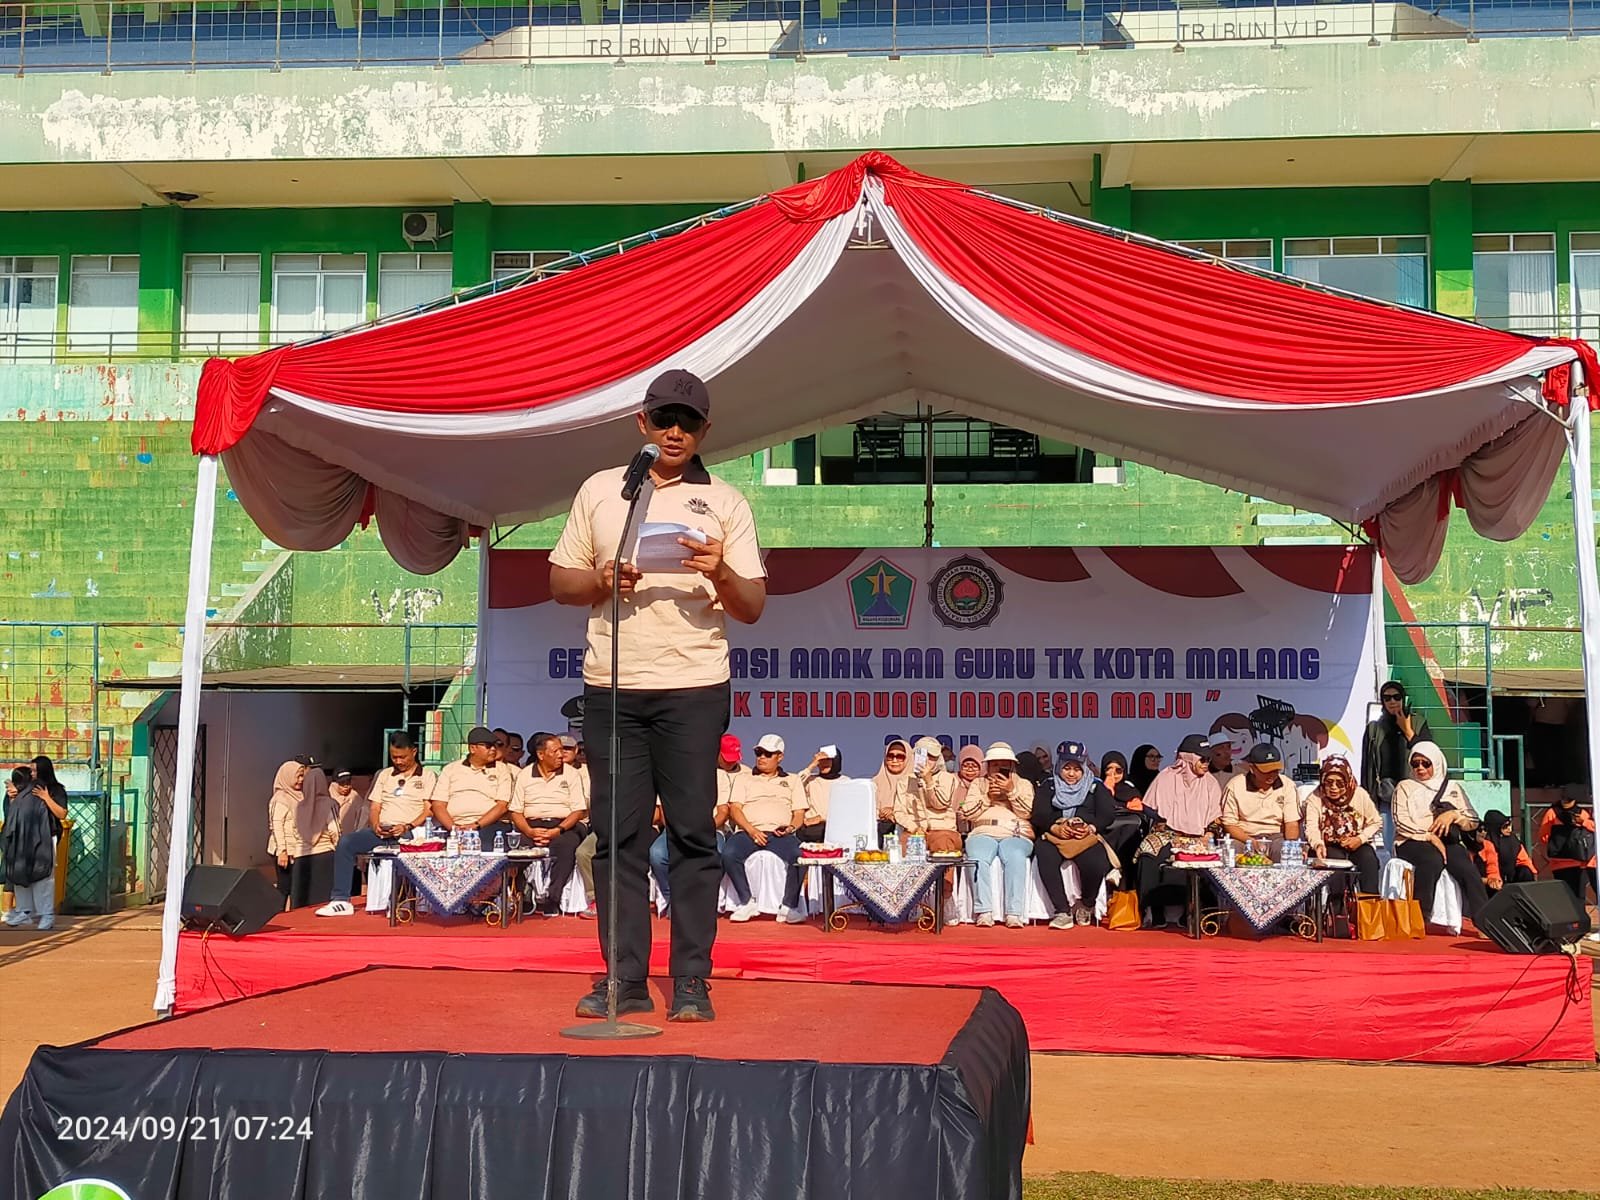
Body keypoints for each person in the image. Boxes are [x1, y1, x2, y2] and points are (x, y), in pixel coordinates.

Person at [550, 369, 766, 1023]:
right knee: (617, 839)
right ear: (641, 423)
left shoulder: (724, 502)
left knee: (695, 835)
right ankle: (625, 979)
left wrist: (718, 569)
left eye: (689, 421)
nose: (676, 431)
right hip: (614, 687)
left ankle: (693, 981)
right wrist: (600, 578)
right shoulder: (601, 493)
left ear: (705, 432)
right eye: (666, 418)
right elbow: (561, 581)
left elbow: (752, 604)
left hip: (693, 689)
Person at [316, 733, 437, 917]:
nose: (398, 761)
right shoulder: (385, 775)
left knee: (409, 845)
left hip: (410, 832)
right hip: (382, 831)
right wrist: (376, 825)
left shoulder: (428, 776)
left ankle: (401, 900)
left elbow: (429, 809)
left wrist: (407, 826)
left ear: (414, 752)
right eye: (394, 757)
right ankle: (341, 900)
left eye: (402, 757)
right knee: (346, 842)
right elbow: (375, 806)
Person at [1393, 741, 1489, 926]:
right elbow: (1401, 822)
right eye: (1415, 764)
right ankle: (1420, 916)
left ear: (1436, 763)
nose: (1420, 768)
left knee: (1467, 870)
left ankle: (1484, 921)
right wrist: (1429, 836)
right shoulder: (1405, 786)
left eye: (1425, 763)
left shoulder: (1452, 787)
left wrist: (1453, 815)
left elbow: (1473, 821)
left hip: (1447, 841)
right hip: (1413, 839)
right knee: (1431, 860)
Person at [1135, 734, 1224, 927]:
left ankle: (1194, 911)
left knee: (1207, 859)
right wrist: (1169, 830)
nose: (1206, 763)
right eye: (1202, 758)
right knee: (1148, 853)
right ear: (1188, 758)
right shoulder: (1166, 777)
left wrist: (1208, 835)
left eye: (1209, 758)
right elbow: (1153, 810)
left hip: (1199, 836)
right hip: (1167, 833)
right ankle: (1152, 910)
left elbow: (1216, 819)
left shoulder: (1210, 783)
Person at [722, 734, 807, 924]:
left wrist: (790, 827)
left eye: (768, 754)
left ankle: (789, 906)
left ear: (780, 757)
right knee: (729, 853)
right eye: (758, 752)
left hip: (780, 833)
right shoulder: (744, 779)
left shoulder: (793, 780)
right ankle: (746, 902)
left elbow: (799, 813)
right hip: (748, 831)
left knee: (800, 857)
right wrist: (751, 830)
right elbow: (735, 809)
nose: (761, 757)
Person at [1033, 740, 1115, 930]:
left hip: (1083, 838)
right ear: (1059, 766)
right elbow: (1039, 814)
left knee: (1097, 862)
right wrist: (1055, 827)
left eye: (1077, 769)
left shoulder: (1095, 786)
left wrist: (1091, 828)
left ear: (1084, 767)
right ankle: (1062, 910)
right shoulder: (1049, 785)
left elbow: (1107, 814)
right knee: (1044, 854)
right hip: (1056, 836)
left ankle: (1086, 904)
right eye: (1067, 768)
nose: (1071, 774)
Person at [509, 731, 591, 915]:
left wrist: (557, 830)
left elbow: (577, 811)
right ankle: (522, 896)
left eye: (562, 750)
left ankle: (552, 898)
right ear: (541, 755)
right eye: (555, 751)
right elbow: (515, 811)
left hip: (565, 825)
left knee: (565, 847)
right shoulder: (525, 774)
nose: (561, 755)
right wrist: (529, 832)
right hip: (532, 825)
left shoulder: (571, 774)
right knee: (517, 850)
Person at [959, 742, 1036, 928]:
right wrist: (987, 797)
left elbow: (1028, 812)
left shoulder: (1023, 784)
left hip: (1014, 832)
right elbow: (967, 813)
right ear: (987, 765)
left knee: (1016, 857)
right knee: (977, 858)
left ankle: (1014, 913)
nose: (997, 769)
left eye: (1003, 764)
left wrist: (1011, 792)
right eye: (994, 764)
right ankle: (983, 911)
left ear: (1011, 765)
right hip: (982, 831)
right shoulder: (978, 783)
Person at [1362, 680, 1433, 849]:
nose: (1392, 701)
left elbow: (1429, 753)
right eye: (1387, 698)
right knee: (1390, 844)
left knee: (1415, 843)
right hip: (1387, 795)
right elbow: (1367, 767)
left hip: (1414, 795)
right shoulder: (1374, 728)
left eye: (1396, 697)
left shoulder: (1418, 723)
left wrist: (1408, 731)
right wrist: (1367, 799)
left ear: (1403, 698)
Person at [1303, 755, 1381, 894]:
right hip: (1328, 845)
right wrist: (1317, 844)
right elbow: (1312, 828)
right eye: (1328, 782)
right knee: (1336, 865)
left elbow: (1375, 821)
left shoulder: (1359, 794)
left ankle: (1369, 907)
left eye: (1339, 783)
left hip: (1356, 842)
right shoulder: (1315, 798)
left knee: (1369, 860)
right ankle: (1337, 909)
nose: (1333, 788)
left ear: (1348, 780)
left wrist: (1360, 839)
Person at [430, 726, 515, 849]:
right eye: (488, 746)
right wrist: (454, 829)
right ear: (472, 748)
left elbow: (502, 806)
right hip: (453, 827)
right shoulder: (451, 769)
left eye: (494, 745)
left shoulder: (501, 770)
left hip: (488, 827)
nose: (493, 749)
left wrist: (476, 825)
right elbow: (438, 804)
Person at [2, 765, 65, 930]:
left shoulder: (46, 791)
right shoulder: (19, 795)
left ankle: (46, 914)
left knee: (43, 877)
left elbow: (61, 814)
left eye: (35, 770)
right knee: (21, 875)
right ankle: (25, 911)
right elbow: (11, 818)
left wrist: (46, 797)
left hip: (42, 840)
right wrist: (12, 798)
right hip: (21, 842)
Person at [1220, 743, 1302, 857]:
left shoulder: (1287, 785)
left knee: (1285, 852)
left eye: (1275, 770)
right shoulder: (1234, 785)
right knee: (1231, 850)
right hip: (1244, 837)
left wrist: (1292, 846)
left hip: (1276, 836)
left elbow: (1291, 823)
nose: (1272, 775)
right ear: (1252, 768)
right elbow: (1230, 824)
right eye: (1266, 771)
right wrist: (1251, 842)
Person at [289, 763, 341, 909]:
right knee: (322, 902)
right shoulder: (330, 804)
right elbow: (335, 831)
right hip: (325, 856)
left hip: (301, 858)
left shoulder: (299, 807)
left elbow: (294, 831)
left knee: (301, 904)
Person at [1085, 750, 1148, 871]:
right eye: (1109, 769)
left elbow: (1138, 809)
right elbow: (1103, 805)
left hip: (1127, 831)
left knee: (1131, 830)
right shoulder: (1096, 788)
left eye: (1118, 770)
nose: (1113, 774)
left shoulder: (1130, 789)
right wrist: (1108, 786)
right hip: (1105, 829)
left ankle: (1120, 872)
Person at [1539, 794, 1596, 906]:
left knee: (1569, 898)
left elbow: (1544, 836)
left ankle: (1576, 922)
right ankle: (1578, 922)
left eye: (1568, 799)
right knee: (1575, 898)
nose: (1565, 802)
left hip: (1571, 861)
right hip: (1571, 861)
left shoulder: (1553, 812)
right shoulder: (1582, 813)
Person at [267, 759, 306, 904]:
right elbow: (277, 825)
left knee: (296, 888)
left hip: (297, 849)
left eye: (302, 776)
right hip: (284, 852)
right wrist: (282, 851)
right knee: (284, 887)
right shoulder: (280, 798)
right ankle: (279, 916)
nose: (301, 780)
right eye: (298, 776)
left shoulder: (300, 796)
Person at [1477, 809, 1535, 891]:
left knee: (1525, 871)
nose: (1509, 829)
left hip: (1511, 880)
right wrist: (1494, 880)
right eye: (1505, 827)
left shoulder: (1512, 840)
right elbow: (1490, 865)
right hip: (1491, 882)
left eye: (1510, 825)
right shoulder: (1485, 843)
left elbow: (1524, 860)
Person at [796, 744, 841, 844]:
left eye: (827, 760)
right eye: (821, 761)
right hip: (810, 829)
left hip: (834, 827)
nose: (823, 764)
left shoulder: (845, 782)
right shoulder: (810, 780)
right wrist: (812, 765)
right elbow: (794, 784)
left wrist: (822, 818)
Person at [871, 739, 912, 849]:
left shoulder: (915, 782)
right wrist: (881, 813)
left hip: (905, 829)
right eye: (890, 756)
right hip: (878, 828)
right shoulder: (874, 782)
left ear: (908, 759)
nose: (894, 760)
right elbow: (866, 810)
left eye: (900, 757)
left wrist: (894, 812)